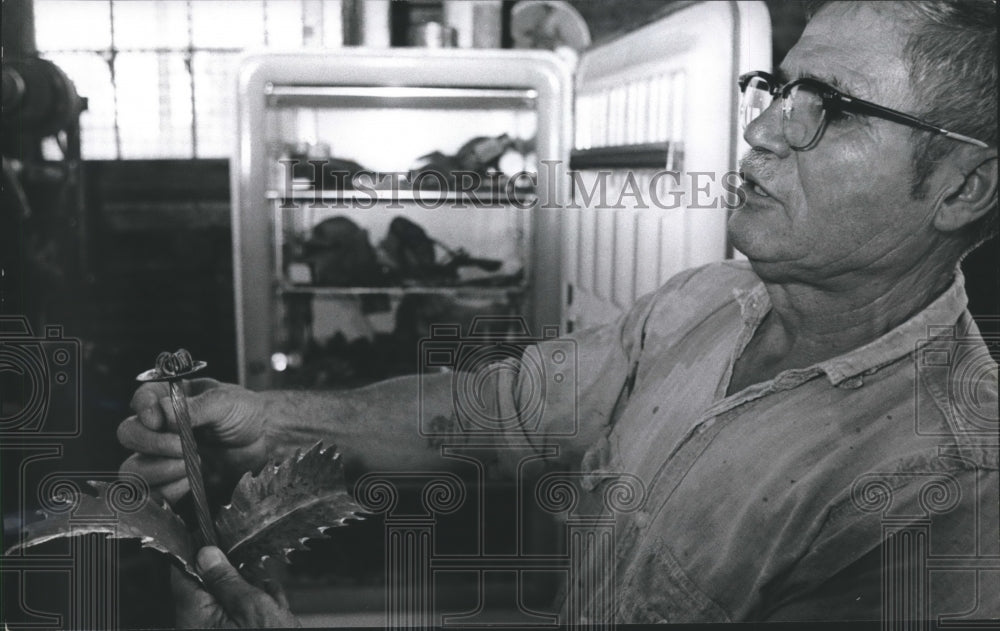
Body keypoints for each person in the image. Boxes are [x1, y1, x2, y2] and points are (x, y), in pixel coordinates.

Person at [118, 0, 998, 625]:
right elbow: (495, 411)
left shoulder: (949, 489)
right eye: (777, 87)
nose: (762, 130)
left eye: (830, 108)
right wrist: (268, 422)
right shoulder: (706, 301)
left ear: (964, 186)